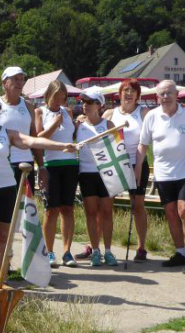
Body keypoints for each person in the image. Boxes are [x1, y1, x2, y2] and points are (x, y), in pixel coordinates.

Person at [0, 91, 76, 278]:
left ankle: (1, 277)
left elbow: (33, 140)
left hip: (6, 189)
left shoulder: (9, 134)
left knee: (3, 236)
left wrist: (61, 146)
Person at [135, 80, 185, 274]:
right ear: (157, 97)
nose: (165, 97)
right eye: (162, 94)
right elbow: (143, 144)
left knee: (184, 210)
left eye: (169, 93)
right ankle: (180, 252)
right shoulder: (152, 117)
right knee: (171, 213)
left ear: (176, 94)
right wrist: (138, 166)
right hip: (163, 174)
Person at [102, 78, 152, 261]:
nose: (129, 94)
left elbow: (146, 139)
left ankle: (141, 247)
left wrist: (138, 165)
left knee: (137, 205)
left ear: (138, 95)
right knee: (106, 206)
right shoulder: (110, 113)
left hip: (136, 163)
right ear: (120, 94)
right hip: (115, 163)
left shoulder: (144, 113)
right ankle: (103, 247)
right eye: (125, 90)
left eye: (133, 91)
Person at [33, 80, 78, 267]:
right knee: (51, 210)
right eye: (57, 96)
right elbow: (38, 138)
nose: (60, 100)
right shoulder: (40, 112)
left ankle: (67, 252)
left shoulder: (67, 112)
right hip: (51, 164)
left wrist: (79, 123)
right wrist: (54, 124)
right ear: (49, 95)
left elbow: (72, 135)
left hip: (70, 164)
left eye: (63, 97)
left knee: (68, 208)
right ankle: (49, 252)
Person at [74, 88, 118, 267]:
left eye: (89, 102)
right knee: (91, 213)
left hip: (105, 173)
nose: (85, 105)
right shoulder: (79, 125)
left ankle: (108, 251)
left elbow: (118, 151)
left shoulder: (108, 125)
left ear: (99, 105)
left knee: (106, 212)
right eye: (83, 102)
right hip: (86, 173)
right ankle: (95, 251)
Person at [0, 67, 40, 194]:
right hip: (3, 163)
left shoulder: (28, 106)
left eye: (22, 79)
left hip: (26, 164)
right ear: (4, 83)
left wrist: (41, 166)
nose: (19, 83)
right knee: (6, 210)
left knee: (26, 209)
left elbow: (34, 138)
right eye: (15, 79)